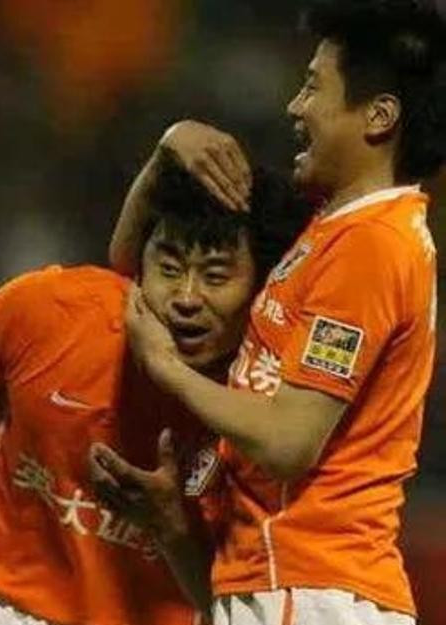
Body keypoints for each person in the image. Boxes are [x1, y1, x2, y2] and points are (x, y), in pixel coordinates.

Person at [90, 2, 446, 624]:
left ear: (379, 116)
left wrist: (166, 367)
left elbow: (288, 441)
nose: (294, 107)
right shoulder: (330, 227)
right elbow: (135, 260)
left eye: (313, 86)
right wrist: (169, 148)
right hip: (285, 582)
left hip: (313, 587)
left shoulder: (373, 245)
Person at [0, 157, 310, 625]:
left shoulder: (271, 416)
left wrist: (172, 528)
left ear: (262, 288)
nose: (186, 297)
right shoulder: (48, 309)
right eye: (169, 268)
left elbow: (229, 604)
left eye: (215, 276)